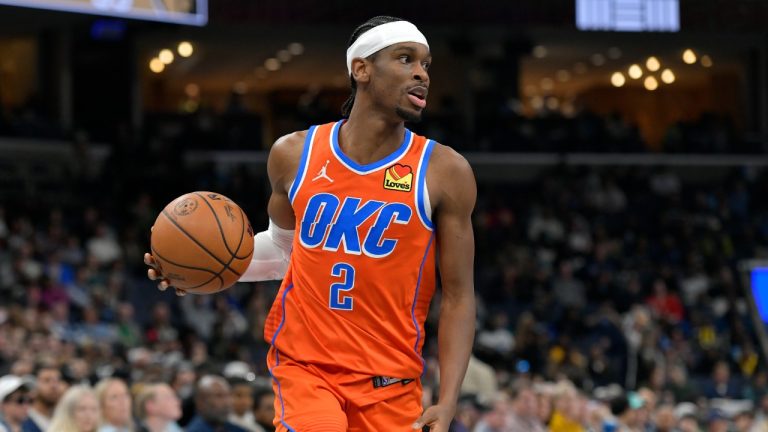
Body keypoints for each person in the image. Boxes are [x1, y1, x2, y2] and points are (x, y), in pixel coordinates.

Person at [145, 15, 476, 432]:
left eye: (426, 64)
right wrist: (187, 268)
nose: (420, 74)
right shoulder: (294, 154)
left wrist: (448, 401)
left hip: (392, 380)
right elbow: (284, 251)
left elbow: (460, 297)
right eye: (406, 59)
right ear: (362, 70)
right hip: (307, 367)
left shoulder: (445, 171)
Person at [22, 363, 64, 432]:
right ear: (33, 387)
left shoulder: (64, 418)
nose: (54, 386)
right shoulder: (23, 421)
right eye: (47, 380)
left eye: (57, 381)